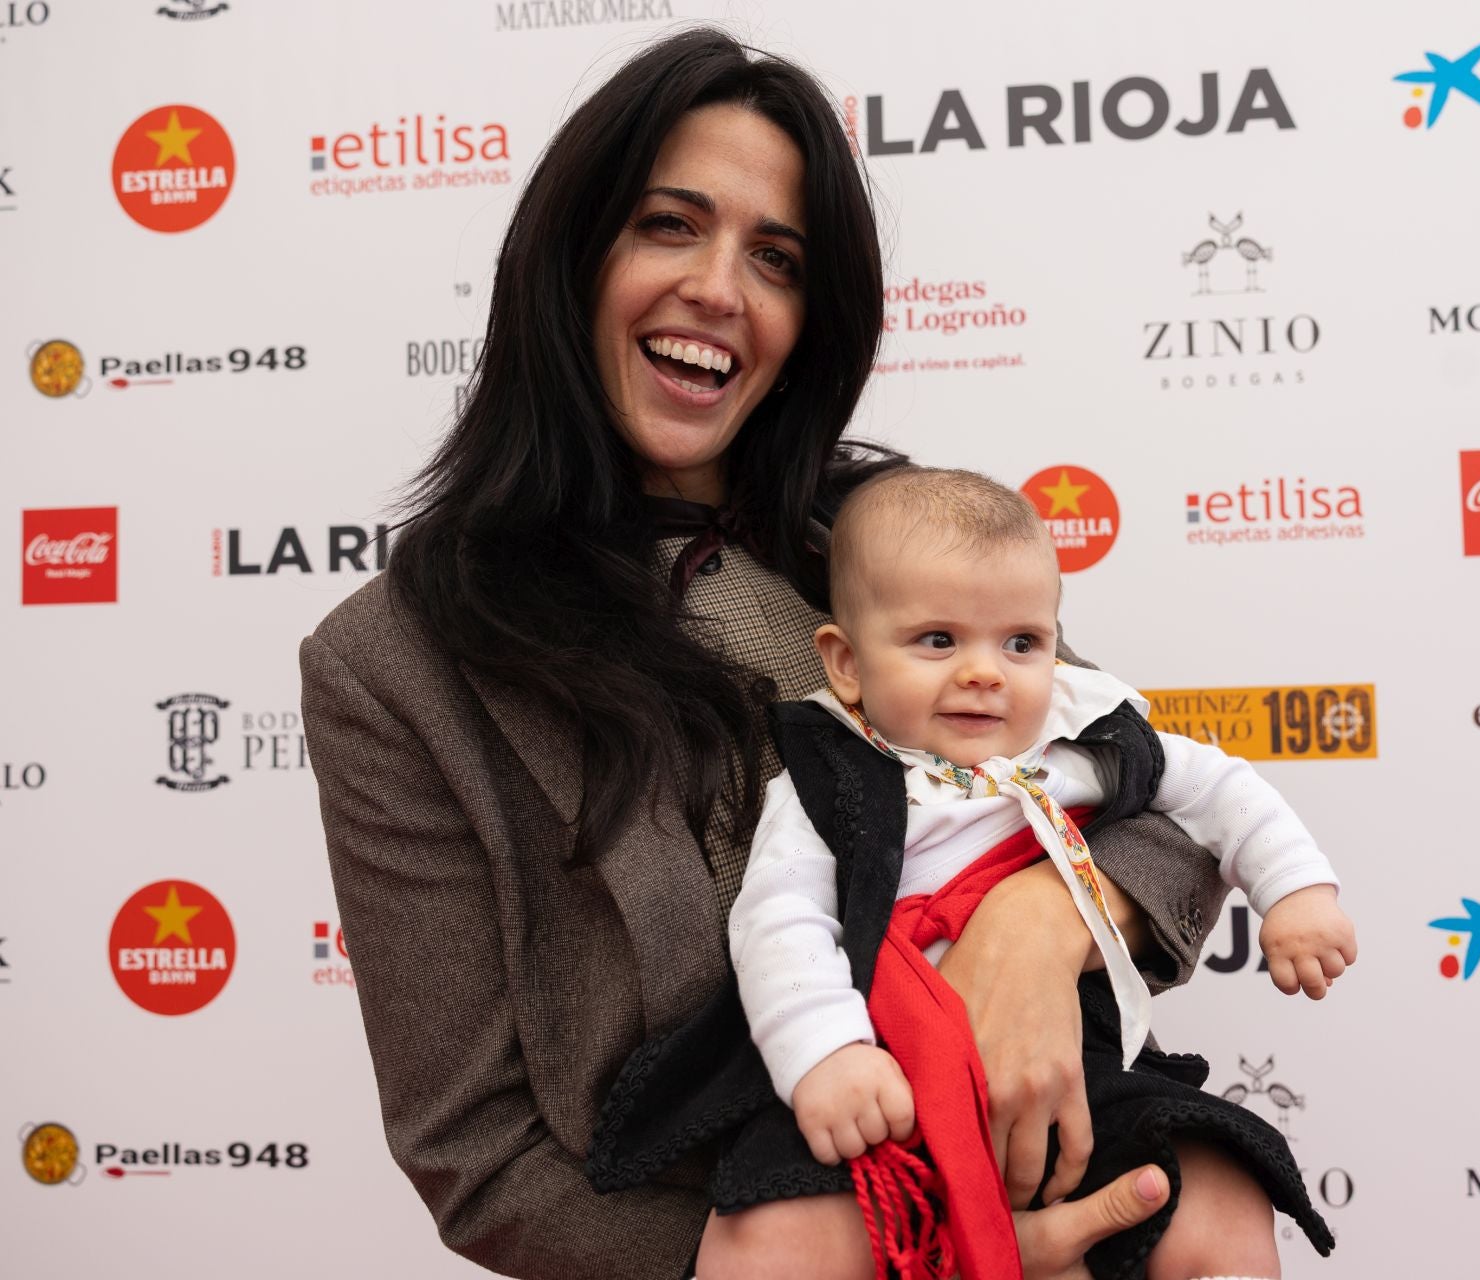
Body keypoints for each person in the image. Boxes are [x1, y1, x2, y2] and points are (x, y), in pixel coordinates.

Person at [300, 27, 1242, 1279]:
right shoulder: (394, 663)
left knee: (1227, 1200)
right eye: (670, 226)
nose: (720, 290)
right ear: (572, 256)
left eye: (777, 258)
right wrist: (883, 1246)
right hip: (763, 1240)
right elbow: (476, 1156)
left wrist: (1043, 918)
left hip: (1054, 1185)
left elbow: (1155, 800)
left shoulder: (886, 537)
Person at [626, 468, 1354, 1280]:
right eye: (938, 641)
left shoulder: (1079, 735)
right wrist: (824, 1055)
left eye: (1021, 644)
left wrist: (1295, 890)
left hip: (1073, 1067)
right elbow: (779, 922)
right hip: (883, 1077)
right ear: (846, 663)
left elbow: (1217, 787)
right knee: (766, 1234)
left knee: (1220, 1190)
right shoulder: (827, 777)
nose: (986, 673)